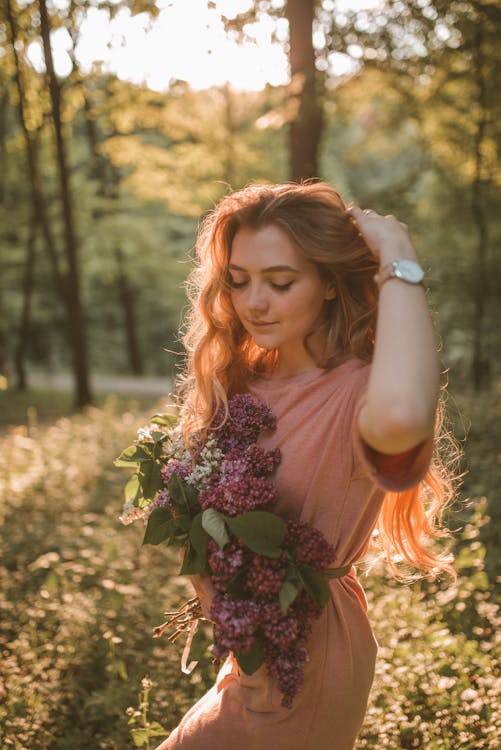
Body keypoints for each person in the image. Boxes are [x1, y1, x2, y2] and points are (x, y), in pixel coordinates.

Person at [154, 181, 455, 750]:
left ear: (330, 285)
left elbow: (404, 415)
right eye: (239, 281)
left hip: (311, 658)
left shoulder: (356, 393)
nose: (253, 303)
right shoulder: (240, 379)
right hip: (250, 654)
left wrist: (399, 258)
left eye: (281, 281)